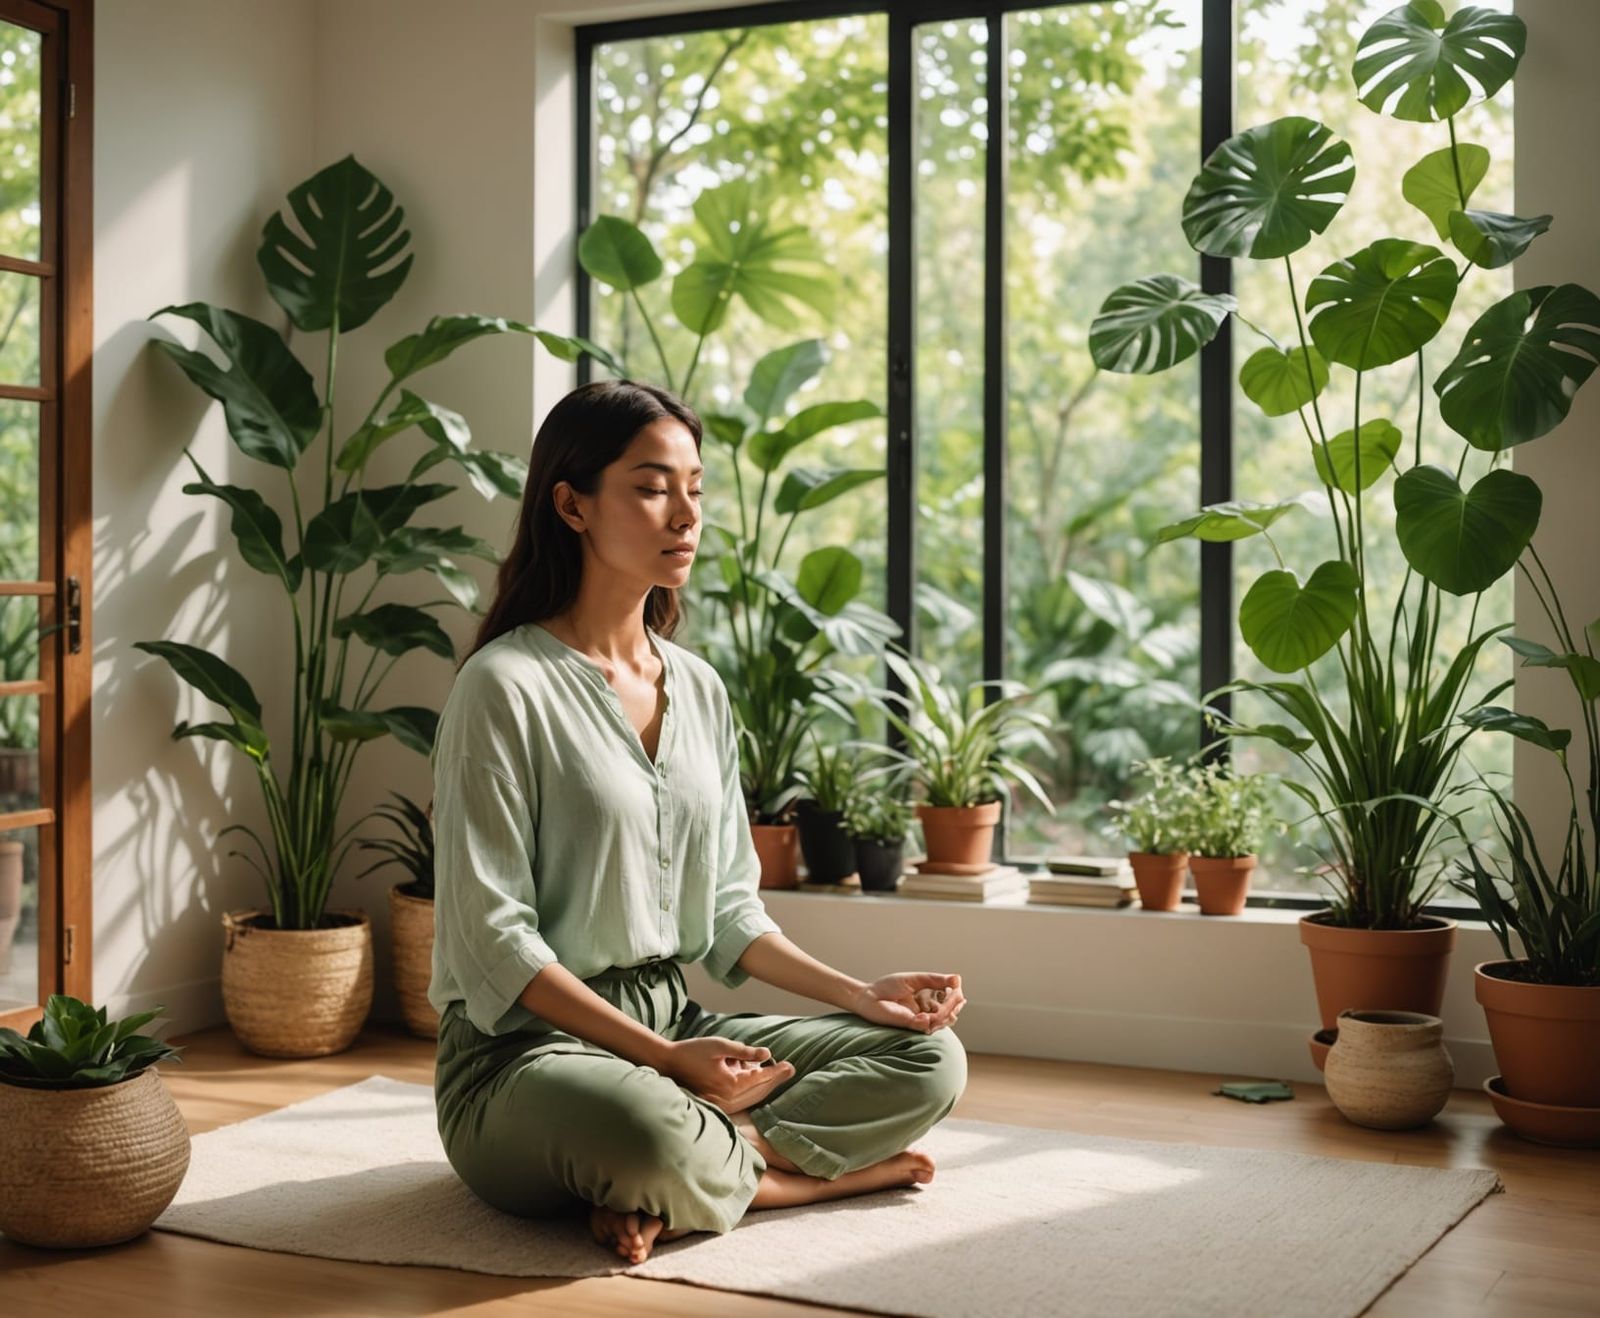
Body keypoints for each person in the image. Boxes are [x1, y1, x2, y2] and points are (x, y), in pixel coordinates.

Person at [429, 378, 969, 1266]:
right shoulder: (503, 687)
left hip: (672, 1023)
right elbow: (495, 944)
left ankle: (703, 1176)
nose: (684, 514)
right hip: (520, 1061)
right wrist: (665, 1064)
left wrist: (857, 994)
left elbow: (727, 912)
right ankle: (806, 1179)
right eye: (650, 487)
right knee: (646, 1126)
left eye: (696, 489)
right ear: (572, 504)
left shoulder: (701, 689)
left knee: (929, 1059)